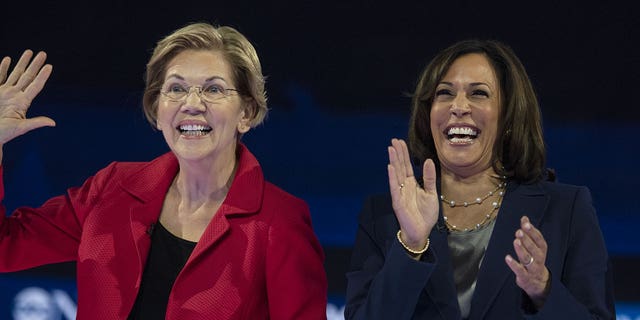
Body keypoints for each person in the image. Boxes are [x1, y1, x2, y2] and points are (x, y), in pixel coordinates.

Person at [0, 22, 327, 319]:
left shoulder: (279, 222)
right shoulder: (110, 189)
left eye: (213, 89)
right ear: (156, 111)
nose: (192, 103)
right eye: (176, 88)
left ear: (247, 112)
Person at [344, 40, 615, 319]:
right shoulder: (384, 217)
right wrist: (411, 247)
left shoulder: (566, 211)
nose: (458, 106)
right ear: (428, 115)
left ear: (509, 118)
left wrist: (542, 289)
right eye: (445, 93)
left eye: (479, 93)